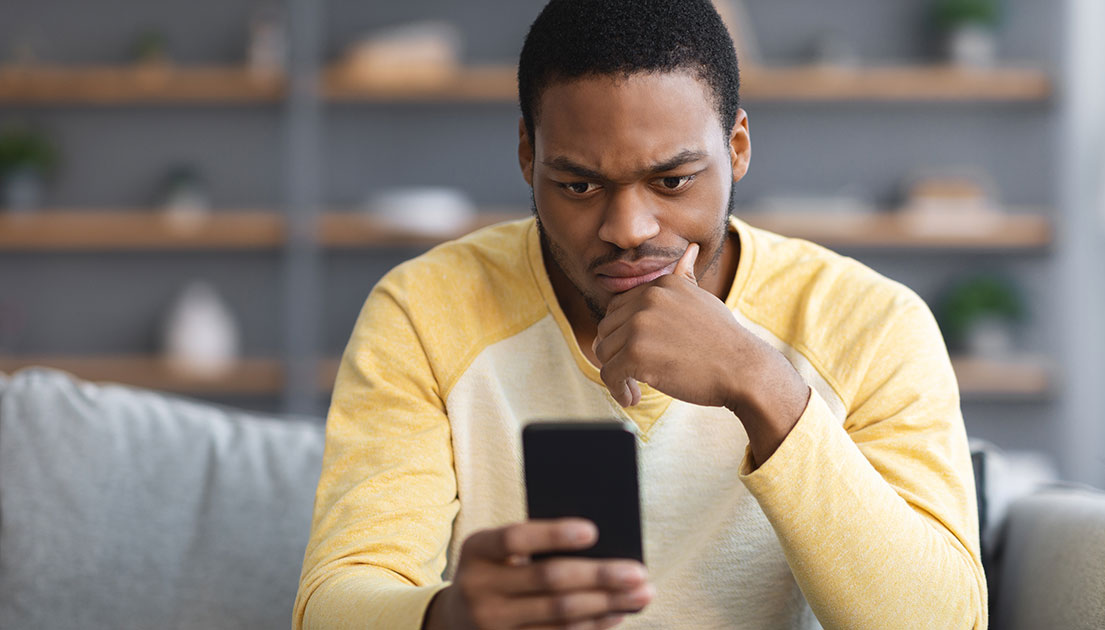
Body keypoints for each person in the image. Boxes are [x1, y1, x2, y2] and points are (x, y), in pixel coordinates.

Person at [293, 0, 987, 628]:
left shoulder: (871, 324)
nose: (628, 226)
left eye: (672, 180)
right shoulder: (423, 311)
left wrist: (761, 382)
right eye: (579, 184)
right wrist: (446, 620)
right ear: (527, 157)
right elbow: (336, 599)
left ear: (737, 149)